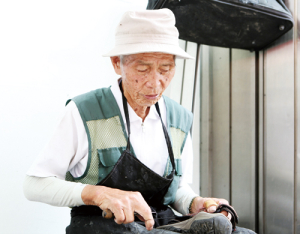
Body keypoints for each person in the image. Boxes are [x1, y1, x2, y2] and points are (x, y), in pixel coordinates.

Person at [23, 9, 255, 234]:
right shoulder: (84, 111)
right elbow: (34, 185)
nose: (155, 83)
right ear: (117, 63)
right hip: (100, 227)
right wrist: (100, 194)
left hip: (160, 223)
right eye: (142, 69)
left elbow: (177, 191)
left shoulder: (180, 119)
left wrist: (195, 203)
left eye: (166, 69)